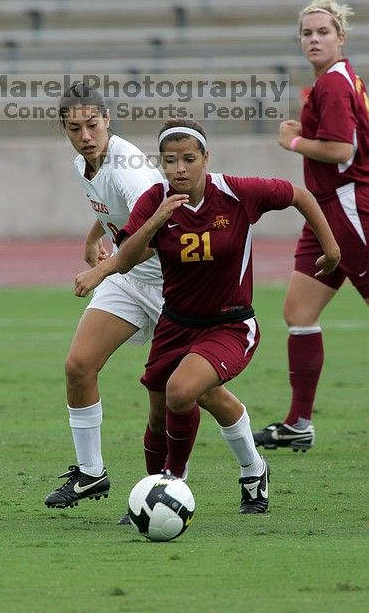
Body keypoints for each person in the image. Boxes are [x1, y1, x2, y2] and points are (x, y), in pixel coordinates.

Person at [115, 118, 340, 513]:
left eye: (188, 159)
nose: (179, 169)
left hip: (230, 324)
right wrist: (155, 219)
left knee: (182, 391)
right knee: (163, 414)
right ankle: (251, 469)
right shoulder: (153, 200)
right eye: (170, 161)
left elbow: (299, 195)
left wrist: (331, 247)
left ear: (206, 158)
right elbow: (125, 261)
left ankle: (171, 487)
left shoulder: (236, 193)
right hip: (175, 324)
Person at [44, 82, 171, 514]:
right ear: (64, 130)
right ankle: (90, 473)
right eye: (74, 128)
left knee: (183, 397)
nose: (85, 135)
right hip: (128, 278)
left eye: (92, 125)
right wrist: (93, 237)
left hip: (173, 284)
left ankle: (252, 467)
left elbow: (156, 229)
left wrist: (99, 269)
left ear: (107, 120)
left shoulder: (129, 167)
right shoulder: (85, 164)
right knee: (79, 366)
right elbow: (115, 212)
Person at [253, 0, 369, 452]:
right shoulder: (333, 82)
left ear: (341, 37)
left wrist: (294, 141)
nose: (314, 39)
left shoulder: (335, 85)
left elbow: (342, 151)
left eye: (323, 32)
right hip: (323, 210)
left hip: (347, 208)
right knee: (299, 313)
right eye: (307, 33)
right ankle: (299, 422)